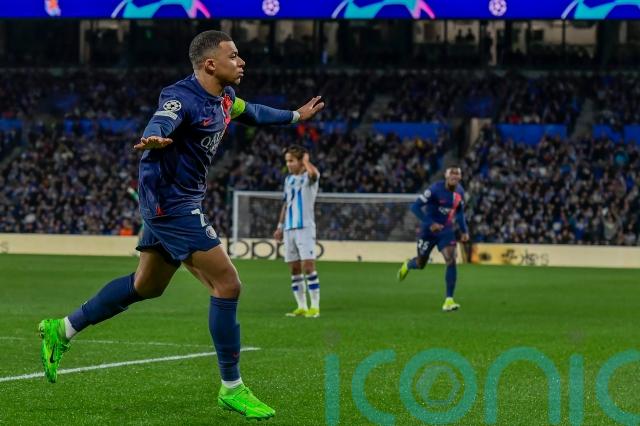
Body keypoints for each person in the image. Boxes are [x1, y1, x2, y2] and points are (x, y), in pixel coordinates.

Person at [37, 30, 324, 421]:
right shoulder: (181, 97)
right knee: (228, 284)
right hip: (171, 203)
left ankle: (63, 329)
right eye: (234, 56)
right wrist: (154, 137)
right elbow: (163, 118)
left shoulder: (225, 98)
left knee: (146, 285)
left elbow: (254, 112)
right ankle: (232, 388)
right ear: (210, 64)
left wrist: (295, 116)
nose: (241, 61)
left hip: (174, 201)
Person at [397, 166, 469, 312]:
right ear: (446, 176)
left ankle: (449, 300)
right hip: (428, 232)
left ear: (460, 177)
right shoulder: (435, 189)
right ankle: (409, 264)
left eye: (457, 174)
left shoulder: (460, 192)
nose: (454, 176)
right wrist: (430, 224)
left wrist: (464, 231)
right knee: (421, 263)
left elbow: (460, 213)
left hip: (445, 231)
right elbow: (415, 207)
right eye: (452, 173)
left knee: (451, 259)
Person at [273, 146, 321, 318]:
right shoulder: (288, 180)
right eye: (287, 161)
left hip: (305, 227)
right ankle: (301, 306)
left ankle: (314, 307)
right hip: (289, 228)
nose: (288, 164)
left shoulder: (310, 177)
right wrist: (280, 226)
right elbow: (286, 204)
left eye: (291, 161)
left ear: (301, 161)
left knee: (308, 267)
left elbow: (314, 175)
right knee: (294, 268)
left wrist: (306, 161)